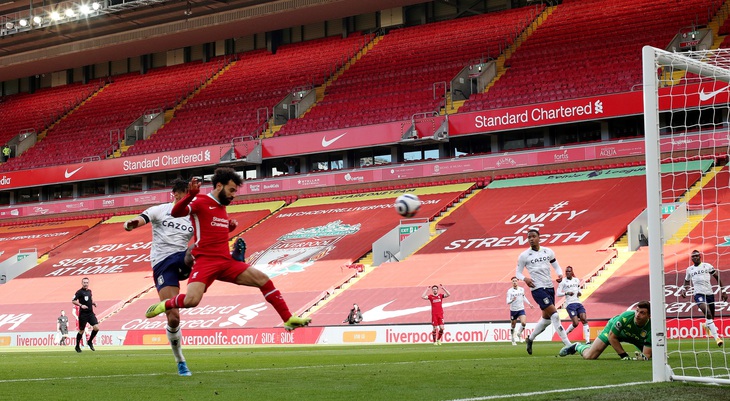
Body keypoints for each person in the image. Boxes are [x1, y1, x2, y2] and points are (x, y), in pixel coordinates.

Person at [145, 168, 311, 332]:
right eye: (231, 190)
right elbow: (175, 212)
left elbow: (213, 235)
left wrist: (228, 229)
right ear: (219, 186)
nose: (233, 195)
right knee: (191, 300)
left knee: (263, 280)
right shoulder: (200, 200)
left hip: (225, 262)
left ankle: (288, 319)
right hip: (205, 262)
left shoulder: (222, 209)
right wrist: (191, 195)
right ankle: (164, 304)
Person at [124, 178, 195, 376]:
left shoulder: (192, 216)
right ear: (175, 194)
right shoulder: (160, 210)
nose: (184, 199)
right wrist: (131, 224)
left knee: (195, 250)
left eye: (187, 195)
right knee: (174, 317)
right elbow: (141, 219)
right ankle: (180, 360)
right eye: (181, 194)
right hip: (163, 264)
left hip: (182, 258)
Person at [515, 229, 572, 355]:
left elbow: (556, 265)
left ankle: (530, 339)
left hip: (549, 287)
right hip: (537, 288)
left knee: (546, 320)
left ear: (539, 238)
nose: (531, 239)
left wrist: (559, 274)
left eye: (533, 236)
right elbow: (517, 273)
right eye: (529, 237)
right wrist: (525, 279)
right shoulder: (524, 255)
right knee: (555, 315)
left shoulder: (548, 251)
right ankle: (568, 345)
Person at [560, 301, 652, 360]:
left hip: (635, 337)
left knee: (652, 356)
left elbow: (647, 355)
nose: (637, 315)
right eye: (637, 311)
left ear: (649, 316)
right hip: (614, 333)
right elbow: (612, 337)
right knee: (589, 356)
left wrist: (643, 357)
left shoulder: (652, 327)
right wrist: (624, 356)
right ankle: (577, 346)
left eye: (642, 313)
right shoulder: (626, 316)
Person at [681, 250, 726, 347]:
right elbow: (686, 281)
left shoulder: (707, 266)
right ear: (691, 258)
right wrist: (684, 289)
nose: (695, 258)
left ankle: (706, 325)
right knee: (708, 313)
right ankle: (717, 338)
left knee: (711, 318)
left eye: (697, 256)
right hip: (699, 294)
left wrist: (723, 290)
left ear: (700, 256)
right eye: (693, 256)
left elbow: (717, 277)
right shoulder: (689, 269)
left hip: (709, 294)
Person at [557, 266, 591, 344]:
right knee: (575, 323)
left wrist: (579, 292)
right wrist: (567, 293)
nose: (568, 273)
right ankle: (565, 334)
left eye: (569, 271)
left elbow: (579, 289)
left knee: (584, 319)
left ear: (572, 272)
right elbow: (558, 293)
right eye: (566, 272)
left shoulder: (576, 280)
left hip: (578, 303)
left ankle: (588, 341)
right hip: (570, 304)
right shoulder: (563, 282)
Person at [72, 277, 100, 352]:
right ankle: (77, 346)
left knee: (96, 328)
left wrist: (93, 303)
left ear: (88, 283)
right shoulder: (79, 292)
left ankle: (90, 341)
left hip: (90, 313)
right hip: (83, 314)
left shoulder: (90, 291)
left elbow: (90, 299)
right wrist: (81, 305)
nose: (85, 284)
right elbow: (73, 301)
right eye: (84, 282)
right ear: (82, 283)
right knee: (81, 330)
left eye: (87, 282)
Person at [507, 276, 533, 345]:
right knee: (513, 325)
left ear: (517, 282)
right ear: (512, 282)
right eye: (513, 281)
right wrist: (512, 300)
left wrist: (529, 304)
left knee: (523, 323)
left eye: (515, 281)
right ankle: (513, 339)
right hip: (513, 310)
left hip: (521, 309)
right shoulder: (509, 291)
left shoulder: (521, 289)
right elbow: (507, 301)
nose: (514, 282)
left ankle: (519, 333)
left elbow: (523, 297)